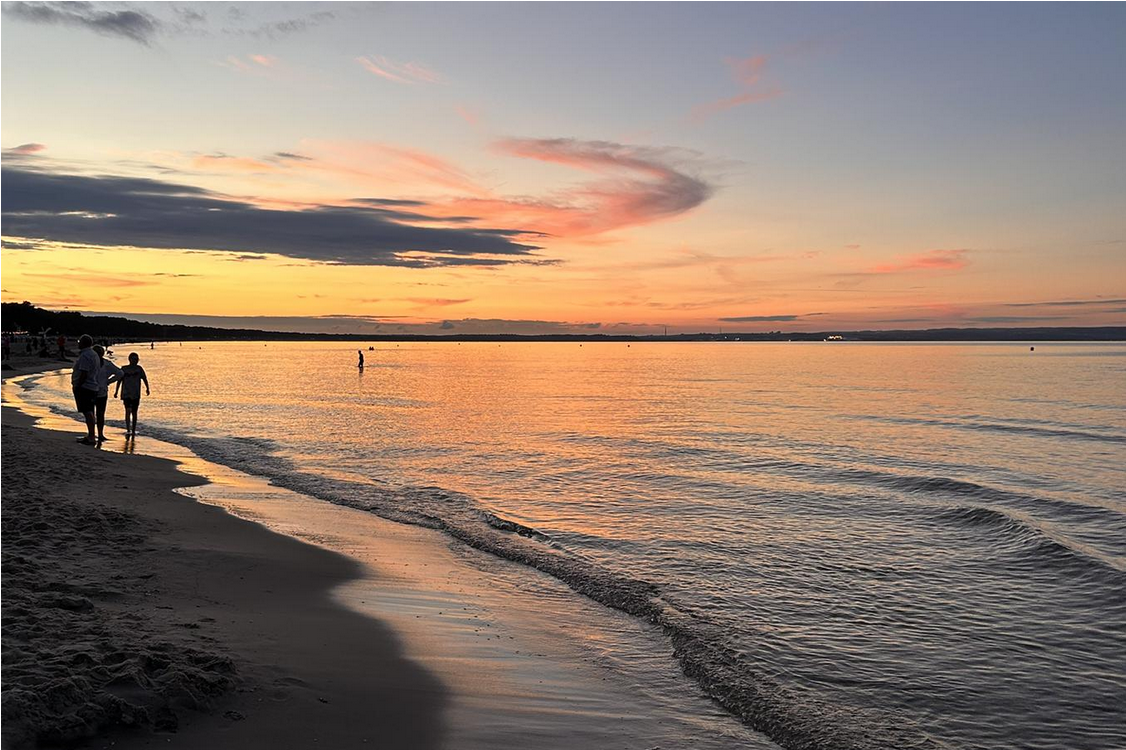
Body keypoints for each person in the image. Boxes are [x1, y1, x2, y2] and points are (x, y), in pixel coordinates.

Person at [70, 335, 100, 445]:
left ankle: (91, 436)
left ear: (83, 343)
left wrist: (78, 385)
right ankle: (91, 435)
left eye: (79, 341)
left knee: (87, 411)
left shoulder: (85, 355)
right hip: (92, 386)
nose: (78, 343)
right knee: (89, 411)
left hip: (85, 387)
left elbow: (84, 373)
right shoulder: (93, 354)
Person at [114, 352, 150, 437]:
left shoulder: (139, 369)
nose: (136, 361)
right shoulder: (124, 369)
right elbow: (119, 380)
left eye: (137, 359)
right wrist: (116, 391)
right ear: (130, 359)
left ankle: (133, 429)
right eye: (134, 359)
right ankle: (128, 429)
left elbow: (144, 378)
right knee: (128, 410)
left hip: (136, 393)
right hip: (126, 393)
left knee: (134, 412)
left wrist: (147, 388)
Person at [92, 345, 123, 443]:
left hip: (96, 391)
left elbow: (120, 373)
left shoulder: (105, 364)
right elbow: (120, 373)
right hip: (96, 391)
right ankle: (97, 434)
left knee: (95, 413)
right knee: (97, 414)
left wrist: (108, 381)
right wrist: (107, 381)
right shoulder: (106, 364)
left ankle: (97, 434)